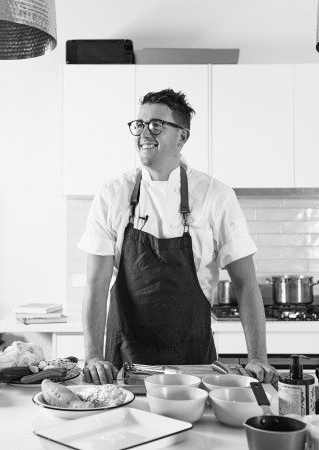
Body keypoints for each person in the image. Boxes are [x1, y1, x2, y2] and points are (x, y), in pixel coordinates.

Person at [78, 88, 278, 385]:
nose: (144, 132)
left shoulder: (216, 196)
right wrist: (93, 356)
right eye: (140, 124)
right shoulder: (112, 194)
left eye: (156, 124)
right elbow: (95, 282)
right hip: (125, 363)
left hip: (194, 365)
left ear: (182, 136)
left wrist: (258, 358)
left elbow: (246, 282)